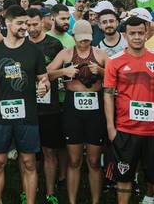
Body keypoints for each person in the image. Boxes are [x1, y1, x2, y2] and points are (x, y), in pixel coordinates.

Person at [104, 16, 154, 204]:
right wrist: (110, 128)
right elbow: (108, 95)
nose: (137, 37)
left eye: (140, 33)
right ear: (125, 35)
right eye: (132, 33)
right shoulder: (114, 61)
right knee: (124, 178)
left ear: (146, 33)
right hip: (125, 130)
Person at [0, 5, 49, 204]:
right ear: (8, 23)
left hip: (27, 116)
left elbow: (44, 79)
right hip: (0, 116)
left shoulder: (34, 51)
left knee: (29, 163)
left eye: (26, 23)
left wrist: (44, 87)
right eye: (20, 23)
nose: (24, 27)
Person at [47, 20, 108, 204]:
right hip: (72, 107)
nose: (84, 43)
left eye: (87, 40)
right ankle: (72, 201)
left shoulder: (100, 53)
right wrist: (64, 71)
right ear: (73, 37)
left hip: (95, 107)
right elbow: (46, 74)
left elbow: (116, 76)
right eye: (80, 40)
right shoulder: (66, 53)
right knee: (74, 160)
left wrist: (101, 71)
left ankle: (95, 201)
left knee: (94, 161)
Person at [25, 8, 65, 204]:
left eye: (35, 24)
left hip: (50, 106)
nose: (32, 28)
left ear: (43, 22)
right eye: (28, 25)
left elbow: (60, 72)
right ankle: (28, 191)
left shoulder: (54, 44)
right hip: (27, 107)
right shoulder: (22, 45)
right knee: (28, 153)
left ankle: (50, 193)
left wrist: (48, 75)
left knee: (50, 151)